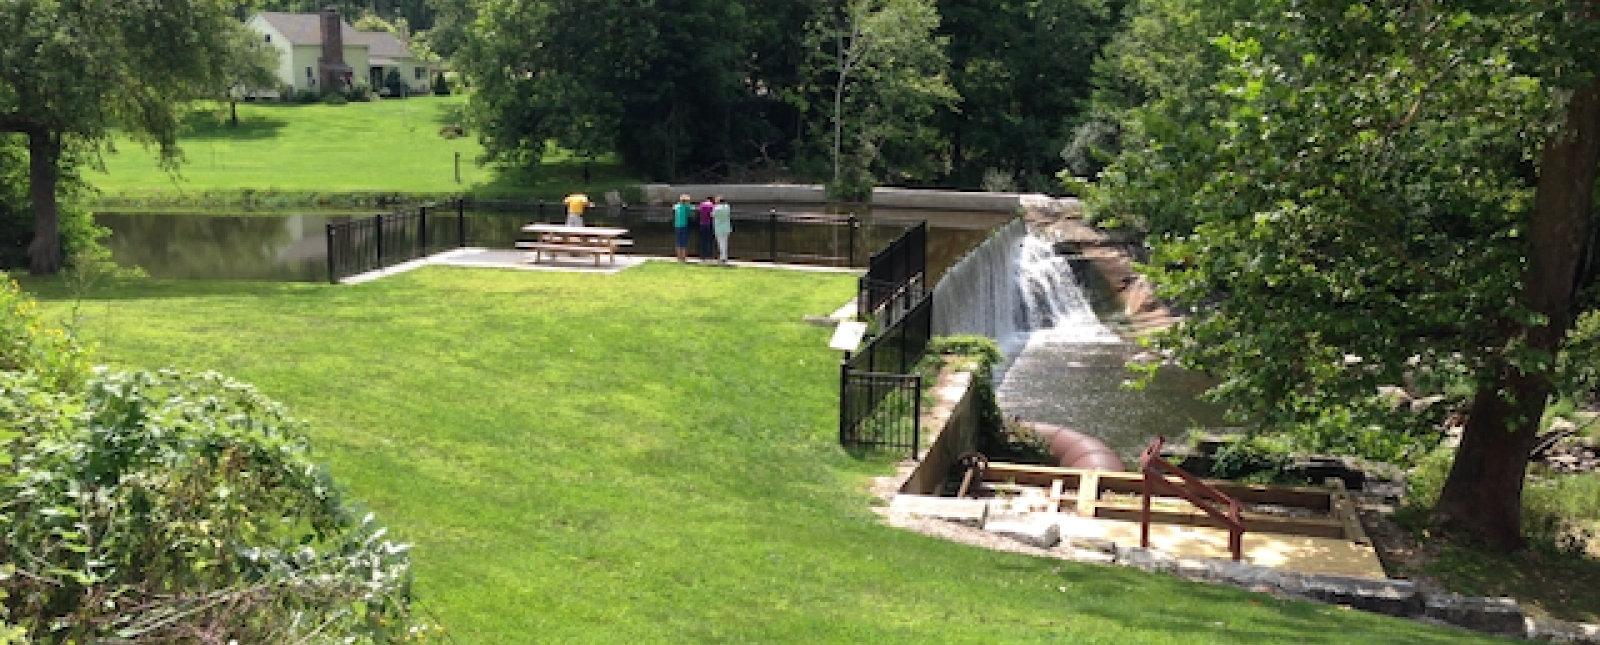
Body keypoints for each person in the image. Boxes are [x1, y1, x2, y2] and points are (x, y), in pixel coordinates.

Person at [672, 194, 694, 262]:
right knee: (684, 242)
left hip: (677, 226)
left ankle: (679, 257)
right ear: (686, 201)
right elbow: (691, 212)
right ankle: (683, 257)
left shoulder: (676, 206)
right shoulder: (686, 207)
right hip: (683, 226)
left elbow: (673, 208)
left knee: (678, 242)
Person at [711, 195, 733, 265]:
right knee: (725, 243)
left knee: (721, 243)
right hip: (726, 227)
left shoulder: (716, 208)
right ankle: (724, 257)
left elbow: (712, 215)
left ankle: (722, 258)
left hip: (719, 228)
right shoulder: (727, 207)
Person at [696, 196, 716, 261]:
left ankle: (702, 255)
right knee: (709, 241)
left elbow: (698, 214)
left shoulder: (701, 205)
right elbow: (712, 215)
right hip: (709, 224)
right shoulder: (712, 206)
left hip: (701, 224)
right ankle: (709, 256)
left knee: (702, 240)